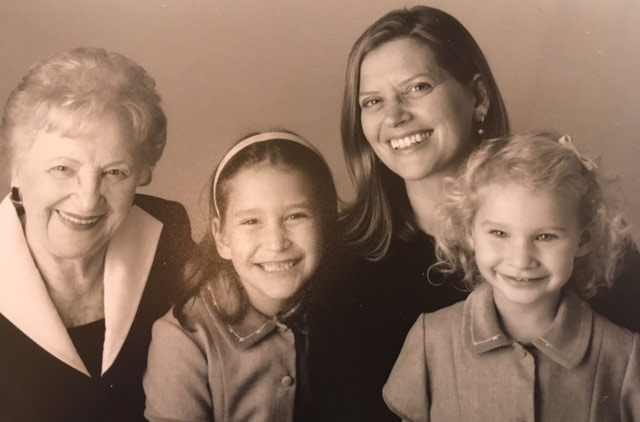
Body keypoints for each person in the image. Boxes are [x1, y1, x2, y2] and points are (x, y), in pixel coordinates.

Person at [312, 5, 640, 421]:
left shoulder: (584, 236)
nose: (394, 117)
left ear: (478, 97)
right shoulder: (343, 267)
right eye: (373, 101)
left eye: (418, 88)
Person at [383, 132, 640, 421]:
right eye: (499, 233)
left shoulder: (623, 356)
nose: (520, 259)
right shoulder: (431, 340)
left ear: (583, 239)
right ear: (470, 233)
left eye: (545, 236)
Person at [0, 47, 193, 422]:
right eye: (62, 168)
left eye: (115, 172)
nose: (88, 200)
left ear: (143, 172)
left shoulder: (169, 234)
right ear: (16, 171)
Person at [143, 131, 339, 422]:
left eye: (295, 216)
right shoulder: (183, 338)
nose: (276, 242)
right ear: (222, 237)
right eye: (251, 221)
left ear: (325, 223)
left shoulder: (346, 309)